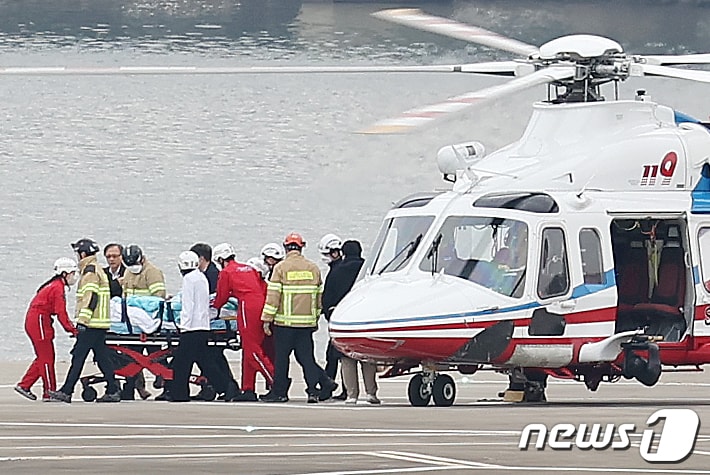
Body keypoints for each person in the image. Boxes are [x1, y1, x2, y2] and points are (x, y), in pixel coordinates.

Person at [260, 233, 337, 403]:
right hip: (306, 325)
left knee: (282, 359)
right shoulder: (313, 268)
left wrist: (266, 320)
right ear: (301, 247)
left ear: (286, 248)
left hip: (284, 324)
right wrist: (315, 319)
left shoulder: (281, 268)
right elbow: (319, 300)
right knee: (307, 359)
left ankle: (280, 393)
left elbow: (273, 297)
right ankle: (313, 391)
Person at [49, 238, 120, 403]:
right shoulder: (97, 269)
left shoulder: (89, 271)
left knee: (78, 357)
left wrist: (82, 321)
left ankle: (67, 391)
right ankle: (113, 389)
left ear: (82, 254)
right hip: (100, 324)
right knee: (103, 358)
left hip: (92, 324)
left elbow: (91, 297)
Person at [213, 243, 274, 402]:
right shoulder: (247, 268)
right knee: (248, 350)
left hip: (248, 308)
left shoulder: (226, 272)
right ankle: (248, 388)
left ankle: (275, 380)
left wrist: (213, 308)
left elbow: (221, 297)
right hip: (260, 305)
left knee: (252, 350)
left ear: (220, 259)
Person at [15, 258, 79, 401]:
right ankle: (49, 391)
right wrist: (73, 330)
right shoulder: (57, 288)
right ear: (65, 273)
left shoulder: (53, 285)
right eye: (73, 273)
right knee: (47, 358)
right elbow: (61, 312)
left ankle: (25, 385)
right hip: (39, 323)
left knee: (43, 357)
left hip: (37, 322)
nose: (74, 276)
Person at [170, 251, 230, 402]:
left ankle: (179, 394)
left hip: (191, 328)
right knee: (205, 361)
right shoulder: (201, 277)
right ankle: (227, 388)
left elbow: (188, 305)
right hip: (203, 326)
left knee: (182, 363)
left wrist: (183, 326)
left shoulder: (189, 280)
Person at [327, 240, 380, 405]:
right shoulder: (369, 270)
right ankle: (371, 393)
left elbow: (327, 298)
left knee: (347, 359)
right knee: (368, 358)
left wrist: (331, 316)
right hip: (367, 319)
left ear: (343, 252)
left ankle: (352, 395)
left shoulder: (336, 271)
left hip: (345, 319)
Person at [189, 242, 240, 401]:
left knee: (209, 355)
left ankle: (222, 387)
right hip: (212, 319)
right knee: (214, 355)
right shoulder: (210, 273)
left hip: (212, 321)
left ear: (201, 259)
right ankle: (226, 387)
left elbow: (214, 299)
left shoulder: (210, 275)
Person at [120, 243, 166, 400]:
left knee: (157, 356)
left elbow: (158, 298)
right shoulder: (128, 272)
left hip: (150, 323)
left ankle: (166, 383)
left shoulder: (152, 273)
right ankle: (129, 389)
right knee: (132, 358)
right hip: (133, 325)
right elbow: (125, 296)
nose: (132, 267)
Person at [319, 233, 347, 401]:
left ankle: (328, 387)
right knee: (337, 357)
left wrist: (327, 311)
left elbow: (329, 295)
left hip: (337, 319)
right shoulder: (340, 269)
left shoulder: (336, 272)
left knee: (333, 356)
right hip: (340, 318)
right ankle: (341, 388)